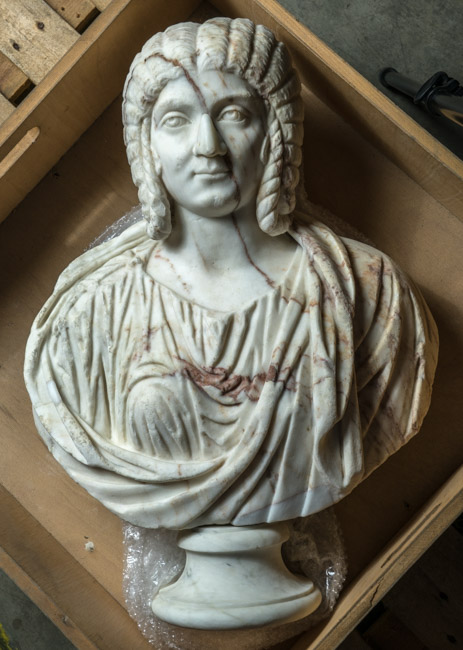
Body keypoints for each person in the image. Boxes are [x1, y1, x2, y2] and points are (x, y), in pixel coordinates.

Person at [24, 18, 438, 529]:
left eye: (234, 114)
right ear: (147, 147)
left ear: (277, 133)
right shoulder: (86, 314)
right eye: (176, 119)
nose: (209, 145)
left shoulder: (372, 295)